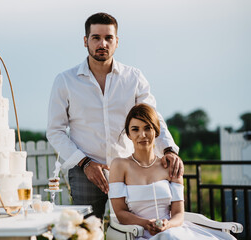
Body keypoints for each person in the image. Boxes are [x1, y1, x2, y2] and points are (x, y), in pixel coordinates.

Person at [46, 12, 183, 220]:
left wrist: (169, 149)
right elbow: (55, 131)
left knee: (132, 229)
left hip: (131, 169)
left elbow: (153, 120)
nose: (103, 43)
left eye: (108, 38)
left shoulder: (134, 78)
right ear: (85, 41)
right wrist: (85, 163)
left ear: (117, 41)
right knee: (87, 229)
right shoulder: (65, 81)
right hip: (85, 173)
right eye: (96, 38)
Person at [109, 103, 236, 240]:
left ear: (156, 131)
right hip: (140, 232)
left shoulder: (171, 166)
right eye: (135, 129)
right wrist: (146, 224)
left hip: (172, 230)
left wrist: (167, 224)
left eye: (148, 128)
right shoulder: (120, 165)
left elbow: (178, 214)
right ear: (128, 134)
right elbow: (120, 212)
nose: (142, 134)